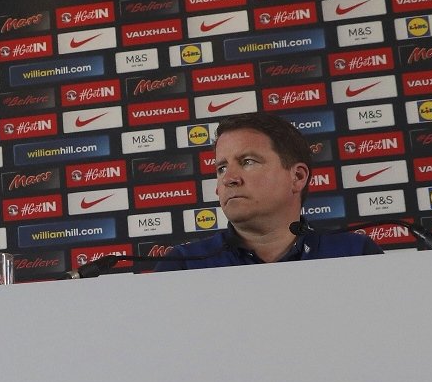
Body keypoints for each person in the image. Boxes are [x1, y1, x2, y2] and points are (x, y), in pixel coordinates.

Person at [154, 113, 381, 270]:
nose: (229, 179)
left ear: (297, 177)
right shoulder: (183, 264)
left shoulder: (355, 253)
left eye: (248, 162)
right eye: (221, 168)